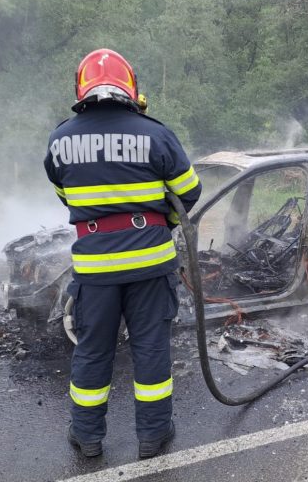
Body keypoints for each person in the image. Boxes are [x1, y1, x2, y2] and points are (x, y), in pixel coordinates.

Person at [43, 48, 201, 459]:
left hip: (94, 270)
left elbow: (67, 197)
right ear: (130, 86)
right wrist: (157, 219)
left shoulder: (60, 140)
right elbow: (189, 193)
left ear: (81, 87)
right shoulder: (156, 134)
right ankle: (152, 437)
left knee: (93, 350)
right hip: (149, 263)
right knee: (150, 349)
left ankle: (87, 436)